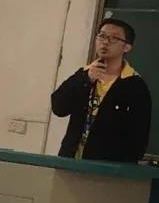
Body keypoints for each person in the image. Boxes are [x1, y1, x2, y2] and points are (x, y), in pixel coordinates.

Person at [51, 18, 151, 162]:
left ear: (127, 47)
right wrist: (86, 79)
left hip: (106, 167)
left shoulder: (134, 85)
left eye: (114, 38)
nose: (105, 42)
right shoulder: (84, 74)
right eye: (102, 36)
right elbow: (58, 107)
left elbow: (139, 137)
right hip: (70, 162)